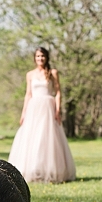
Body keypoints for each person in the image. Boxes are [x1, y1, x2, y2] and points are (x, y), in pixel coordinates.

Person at [8, 47, 76, 183]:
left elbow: (58, 93)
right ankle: (33, 170)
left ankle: (52, 171)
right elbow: (28, 94)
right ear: (35, 58)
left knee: (47, 138)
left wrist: (57, 111)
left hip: (48, 108)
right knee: (32, 138)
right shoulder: (30, 74)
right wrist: (23, 113)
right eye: (38, 56)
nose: (40, 59)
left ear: (47, 57)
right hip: (33, 108)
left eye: (43, 56)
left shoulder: (53, 72)